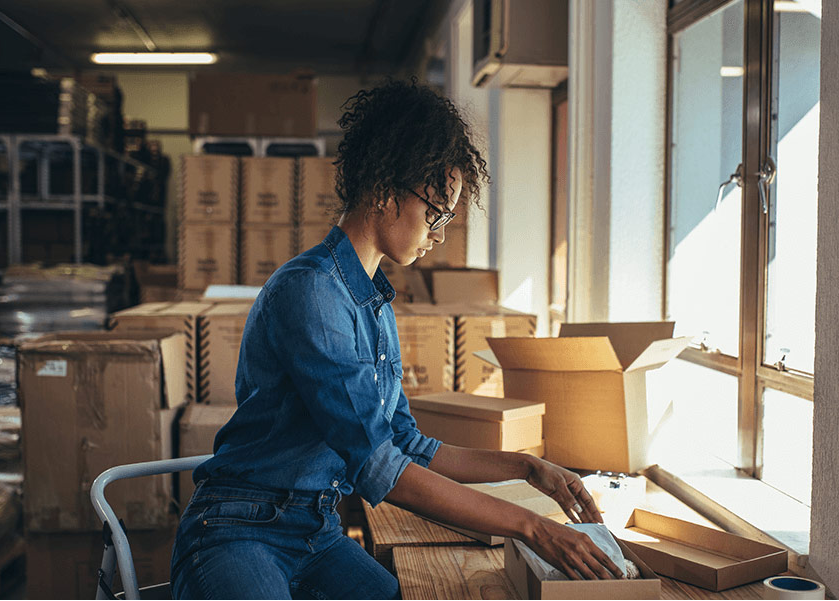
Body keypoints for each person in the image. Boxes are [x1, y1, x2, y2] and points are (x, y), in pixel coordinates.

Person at [170, 79, 622, 600]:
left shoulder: (373, 304)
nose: (440, 233)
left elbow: (407, 444)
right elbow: (377, 467)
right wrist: (533, 526)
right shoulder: (312, 294)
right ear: (386, 190)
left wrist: (525, 467)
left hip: (314, 532)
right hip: (238, 529)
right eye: (436, 213)